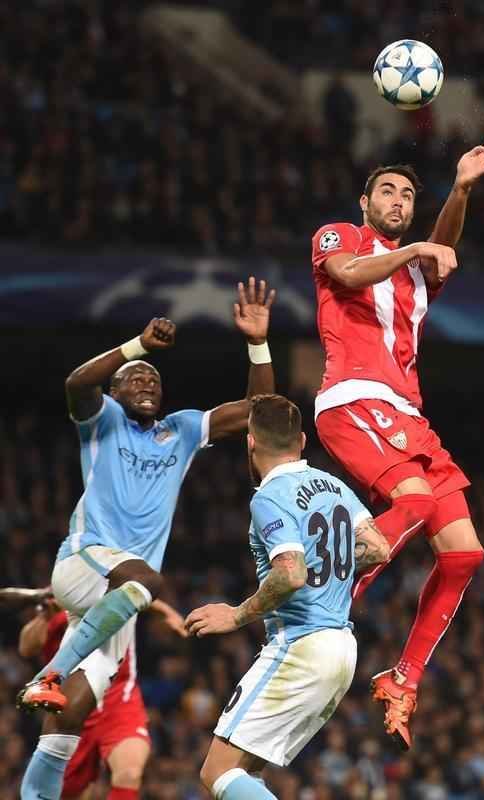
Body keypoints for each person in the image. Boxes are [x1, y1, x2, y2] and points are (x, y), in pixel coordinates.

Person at [17, 276, 275, 800]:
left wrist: (257, 342)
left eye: (154, 380)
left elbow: (259, 411)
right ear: (114, 392)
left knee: (65, 727)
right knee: (147, 580)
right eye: (135, 379)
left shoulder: (178, 430)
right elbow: (75, 383)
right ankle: (47, 672)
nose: (147, 383)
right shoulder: (102, 419)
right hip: (85, 563)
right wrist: (135, 347)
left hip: (114, 606)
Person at [310, 136, 484, 750]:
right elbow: (346, 275)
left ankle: (403, 676)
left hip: (408, 416)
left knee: (464, 553)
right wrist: (417, 247)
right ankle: (331, 597)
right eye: (388, 191)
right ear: (365, 201)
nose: (399, 201)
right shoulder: (339, 236)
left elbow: (439, 248)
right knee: (416, 504)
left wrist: (462, 187)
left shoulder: (418, 274)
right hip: (353, 399)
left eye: (407, 196)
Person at [184, 394, 390, 800]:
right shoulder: (334, 486)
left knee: (216, 773)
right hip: (342, 650)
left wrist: (236, 615)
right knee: (247, 772)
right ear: (302, 440)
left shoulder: (268, 497)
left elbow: (291, 572)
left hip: (301, 646)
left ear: (250, 442)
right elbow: (379, 548)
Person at [18, 590, 185, 800]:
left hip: (120, 698)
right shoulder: (65, 594)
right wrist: (46, 617)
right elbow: (26, 647)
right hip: (75, 707)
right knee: (70, 792)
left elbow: (141, 591)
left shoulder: (116, 585)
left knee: (129, 773)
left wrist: (166, 611)